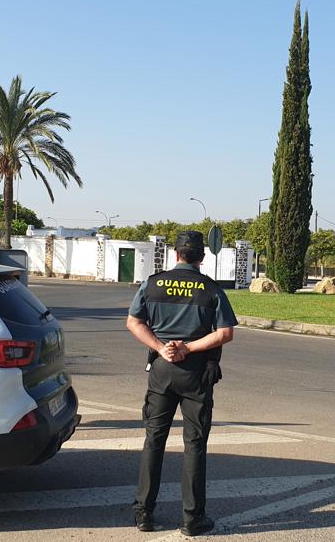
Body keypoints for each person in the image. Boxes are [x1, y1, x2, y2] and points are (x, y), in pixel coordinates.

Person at [126, 230, 237, 537]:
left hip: (162, 369)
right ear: (201, 257)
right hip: (196, 373)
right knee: (195, 445)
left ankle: (143, 515)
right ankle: (193, 519)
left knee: (154, 440)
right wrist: (189, 347)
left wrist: (162, 347)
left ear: (175, 254)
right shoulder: (211, 289)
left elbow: (134, 321)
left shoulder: (153, 283)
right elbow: (225, 333)